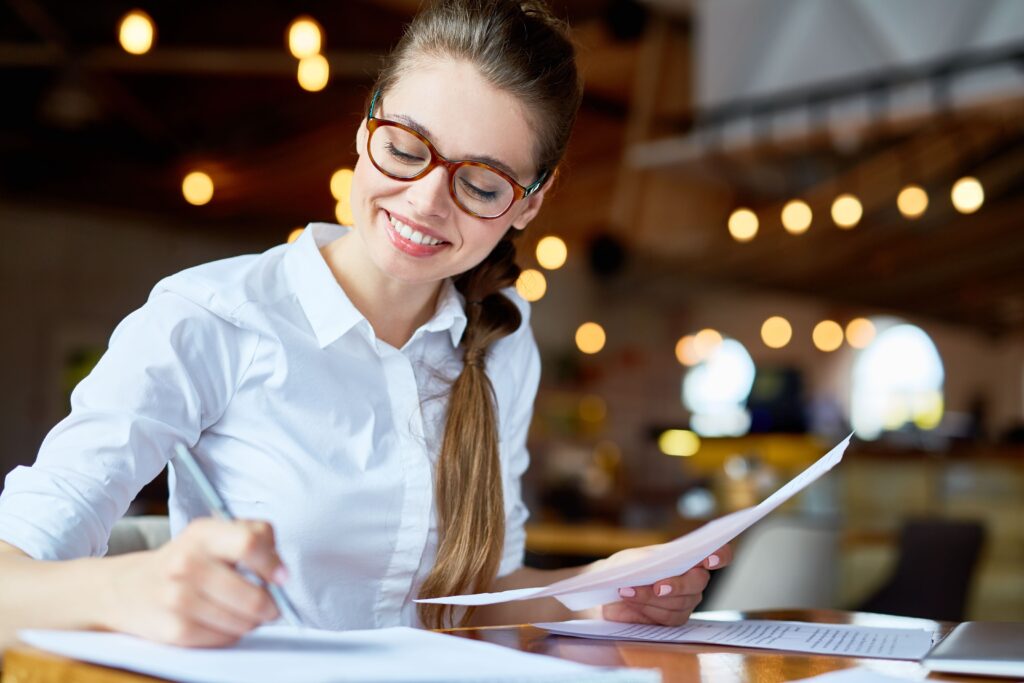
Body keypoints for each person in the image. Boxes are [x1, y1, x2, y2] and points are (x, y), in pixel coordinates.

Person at [0, 0, 730, 648]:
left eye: (480, 184)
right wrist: (128, 588)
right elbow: (13, 571)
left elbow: (471, 598)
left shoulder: (502, 342)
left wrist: (605, 586)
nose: (424, 202)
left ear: (529, 203)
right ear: (365, 126)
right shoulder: (212, 317)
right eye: (406, 149)